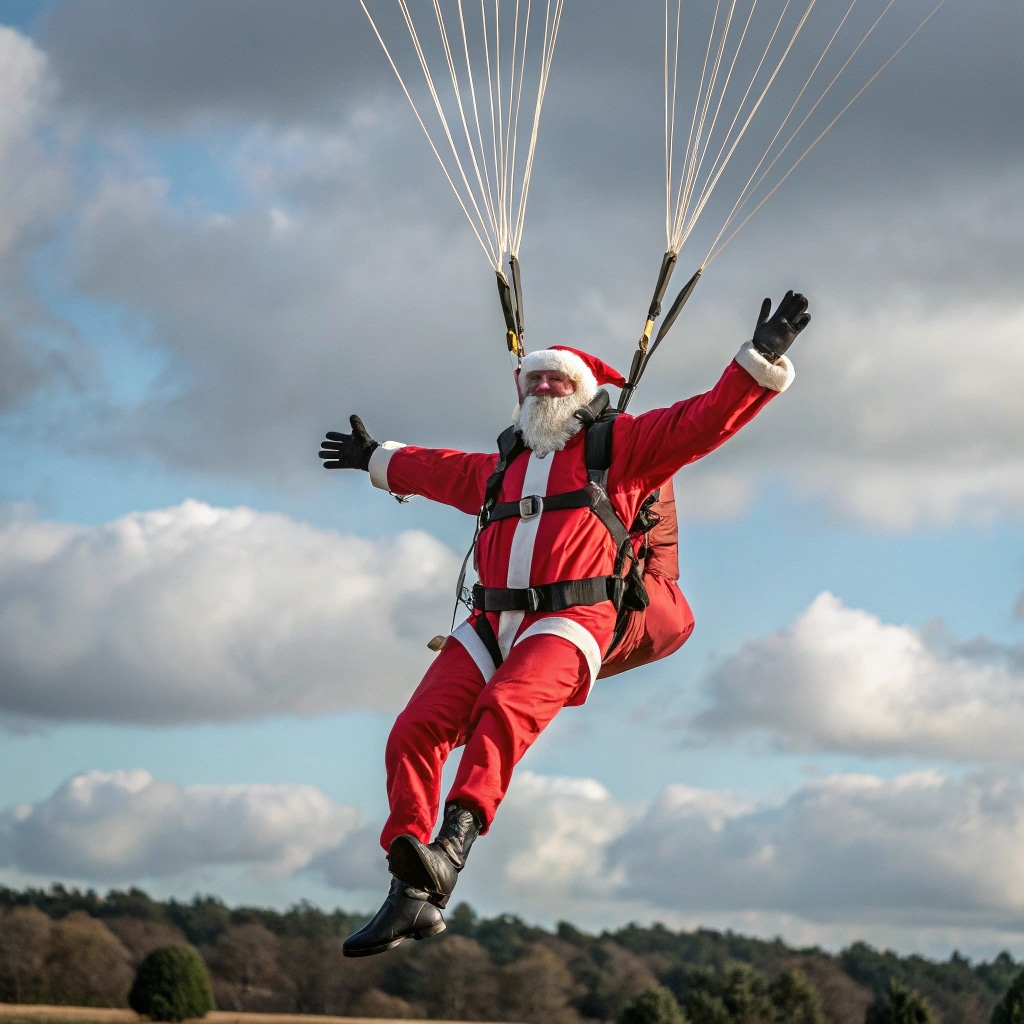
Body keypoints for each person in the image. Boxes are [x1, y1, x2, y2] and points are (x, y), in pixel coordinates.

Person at [319, 291, 811, 957]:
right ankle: (409, 892)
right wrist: (375, 457)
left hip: (573, 617)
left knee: (505, 708)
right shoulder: (503, 465)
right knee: (413, 732)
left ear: (582, 394)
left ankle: (451, 848)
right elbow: (437, 471)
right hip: (492, 620)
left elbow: (700, 422)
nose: (544, 387)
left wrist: (757, 362)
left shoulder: (622, 448)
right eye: (535, 379)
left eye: (557, 380)